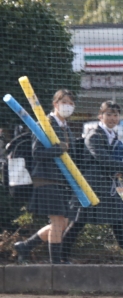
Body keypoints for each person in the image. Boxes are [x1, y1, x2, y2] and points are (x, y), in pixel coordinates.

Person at [61, 101, 123, 264]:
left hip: (105, 186)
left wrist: (120, 171)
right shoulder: (94, 135)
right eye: (108, 114)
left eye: (115, 115)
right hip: (91, 186)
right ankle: (60, 257)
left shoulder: (112, 136)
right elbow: (103, 159)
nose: (112, 118)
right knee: (78, 223)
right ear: (101, 116)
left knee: (116, 222)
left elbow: (107, 163)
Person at [14, 90, 78, 264]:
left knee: (62, 223)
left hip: (63, 181)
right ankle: (55, 264)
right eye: (64, 102)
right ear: (55, 104)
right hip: (47, 179)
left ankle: (25, 246)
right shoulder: (44, 123)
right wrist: (59, 149)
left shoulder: (66, 127)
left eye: (71, 103)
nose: (68, 106)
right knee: (57, 220)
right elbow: (37, 153)